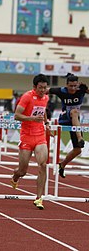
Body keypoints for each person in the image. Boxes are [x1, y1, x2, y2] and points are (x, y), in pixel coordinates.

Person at [11, 74, 50, 210]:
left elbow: (43, 111)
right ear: (34, 87)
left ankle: (39, 198)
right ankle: (15, 177)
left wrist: (46, 122)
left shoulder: (46, 97)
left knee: (43, 165)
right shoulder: (27, 96)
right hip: (26, 137)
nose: (43, 90)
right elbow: (17, 115)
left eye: (45, 88)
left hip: (40, 136)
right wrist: (32, 119)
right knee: (22, 171)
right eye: (40, 88)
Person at [49, 73, 89, 178]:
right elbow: (45, 90)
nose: (72, 88)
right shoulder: (61, 91)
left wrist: (87, 89)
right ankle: (80, 137)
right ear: (66, 85)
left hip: (75, 121)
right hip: (64, 117)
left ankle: (62, 165)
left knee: (78, 150)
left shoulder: (81, 89)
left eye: (75, 86)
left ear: (77, 85)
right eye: (70, 86)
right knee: (75, 111)